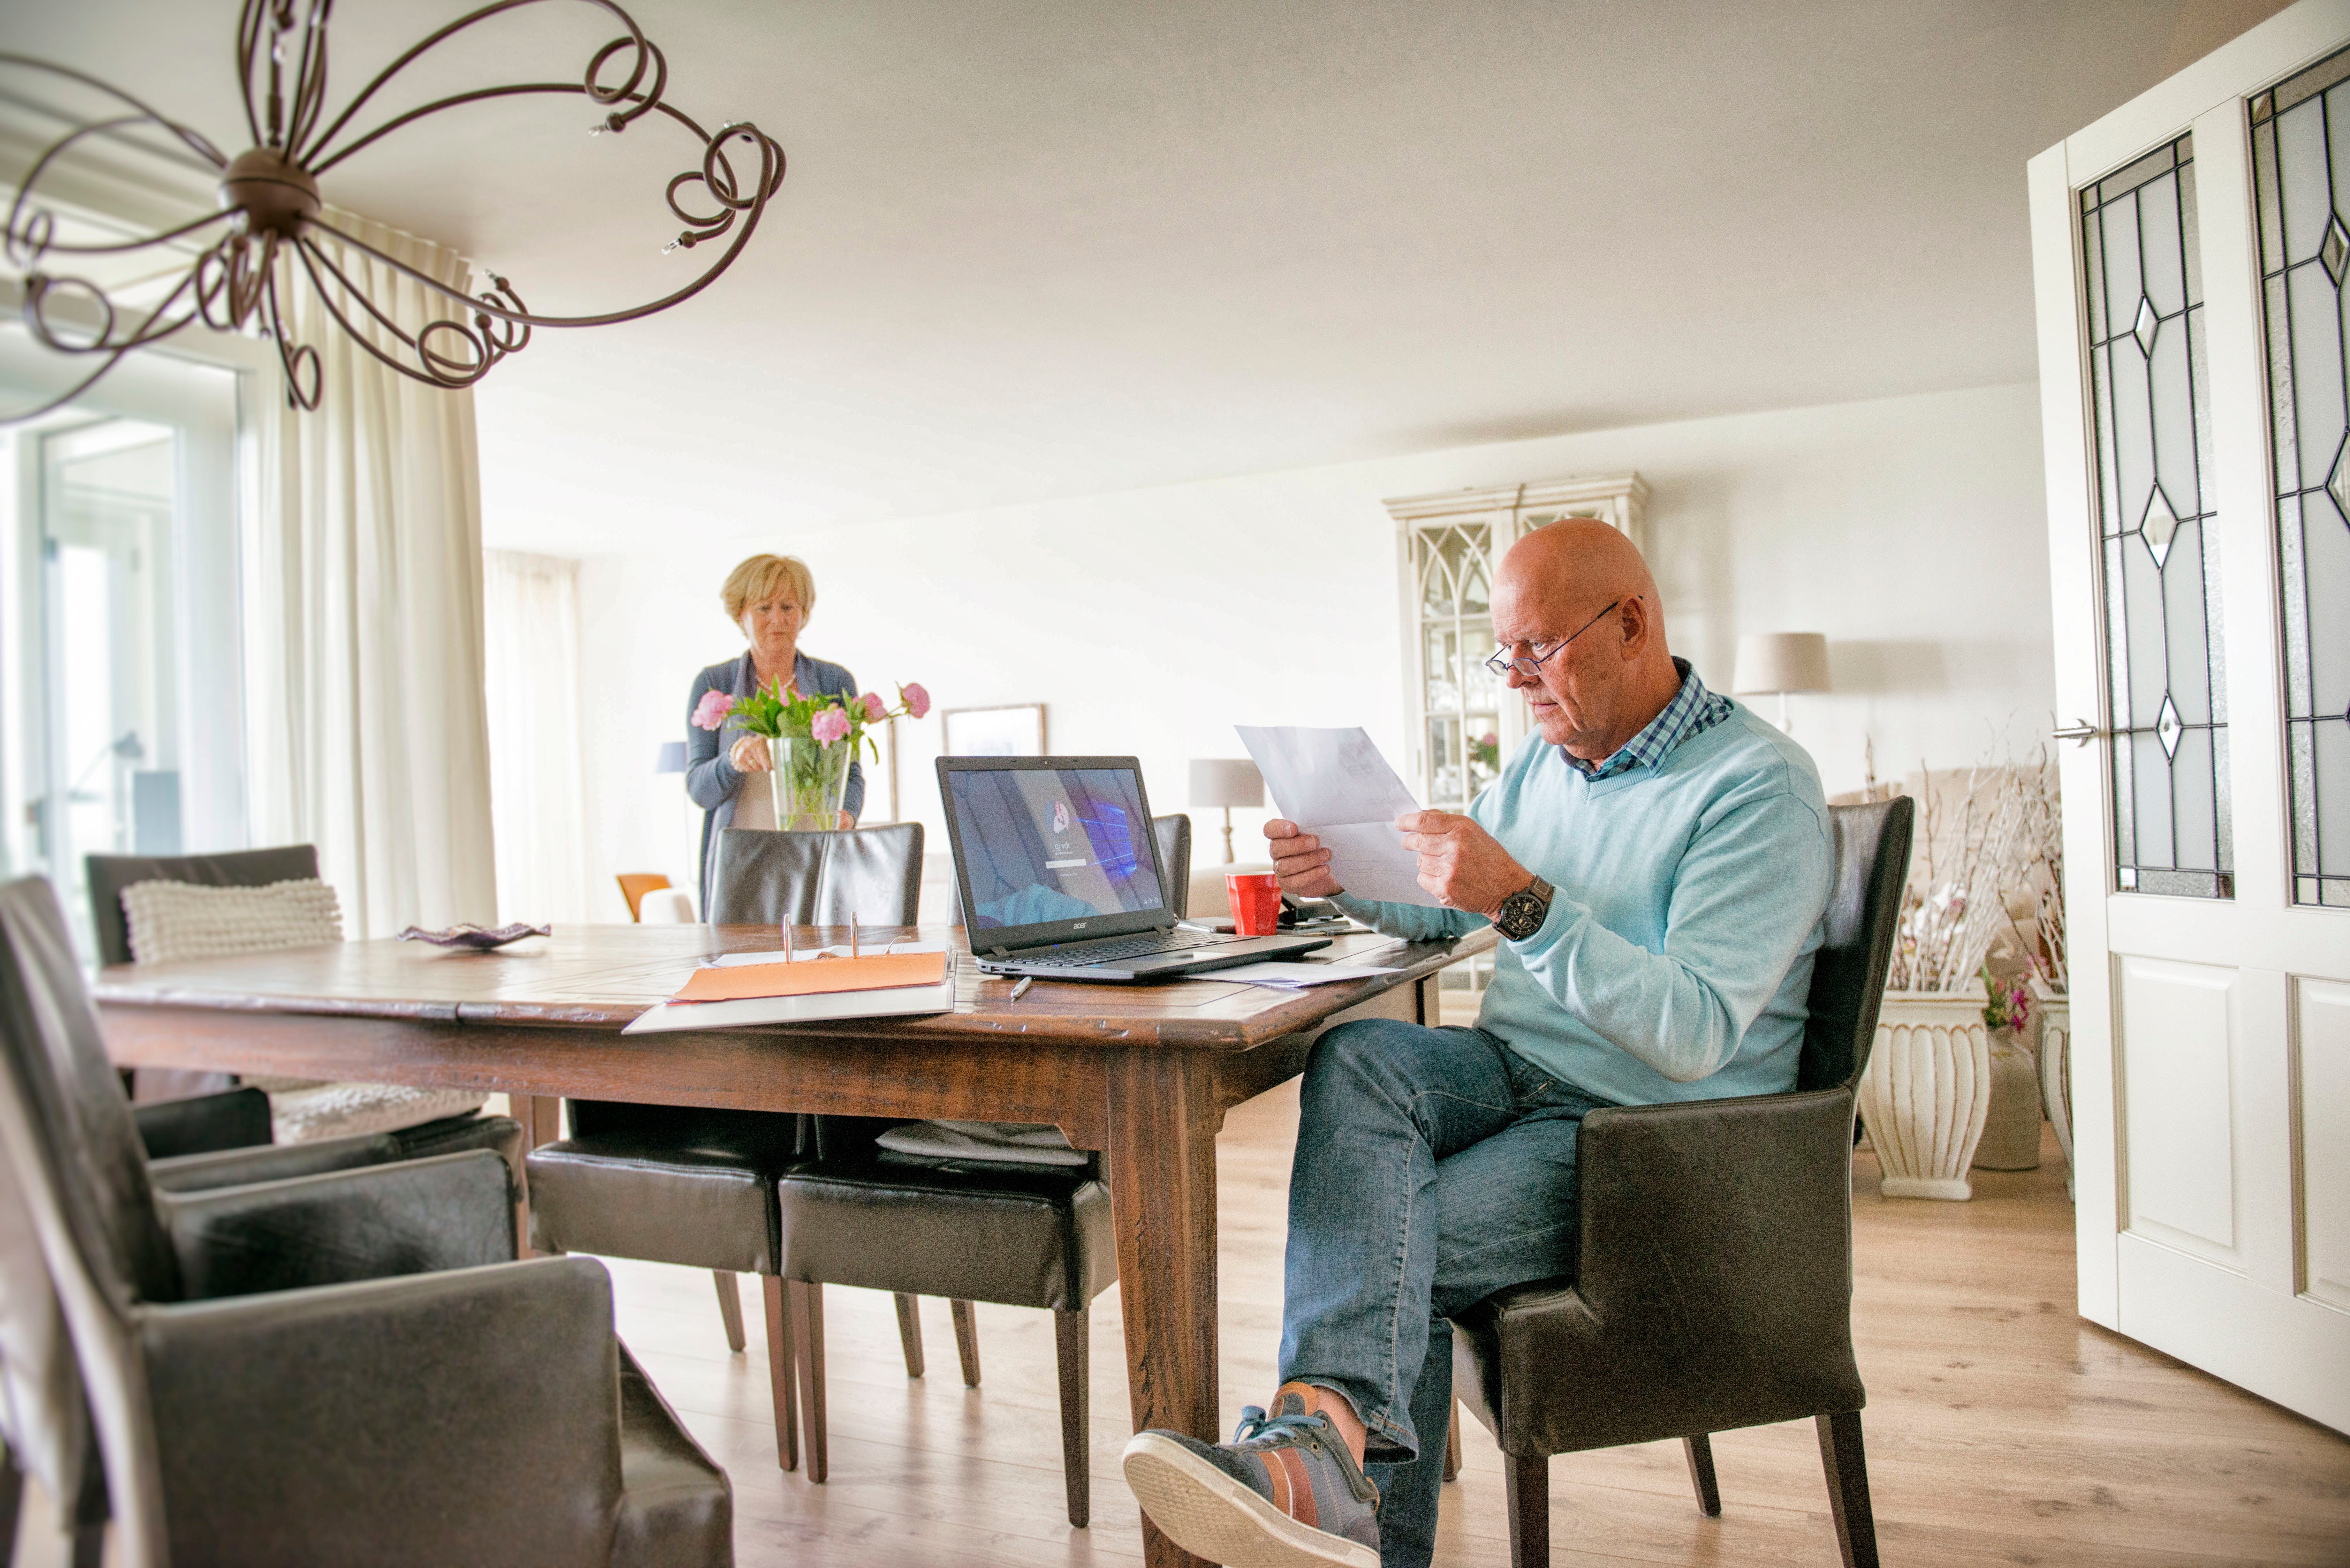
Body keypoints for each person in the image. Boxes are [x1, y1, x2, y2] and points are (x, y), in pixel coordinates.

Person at [1120, 520, 1832, 1568]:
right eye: (1506, 657)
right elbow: (1455, 910)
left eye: (1536, 650)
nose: (1518, 684)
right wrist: (1347, 877)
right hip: (1518, 1069)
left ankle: (1317, 1467)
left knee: (1387, 1247)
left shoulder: (1759, 788)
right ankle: (1320, 1460)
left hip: (1646, 1137)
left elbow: (1689, 1032)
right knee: (1360, 1057)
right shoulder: (1549, 765)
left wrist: (1521, 897)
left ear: (1631, 624)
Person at [685, 553, 865, 915]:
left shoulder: (835, 682)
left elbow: (852, 774)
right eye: (764, 608)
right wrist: (734, 759)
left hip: (816, 857)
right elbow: (699, 789)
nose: (778, 619)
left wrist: (847, 813)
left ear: (804, 612)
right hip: (740, 863)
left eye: (788, 606)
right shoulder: (713, 684)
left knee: (822, 965)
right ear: (741, 614)